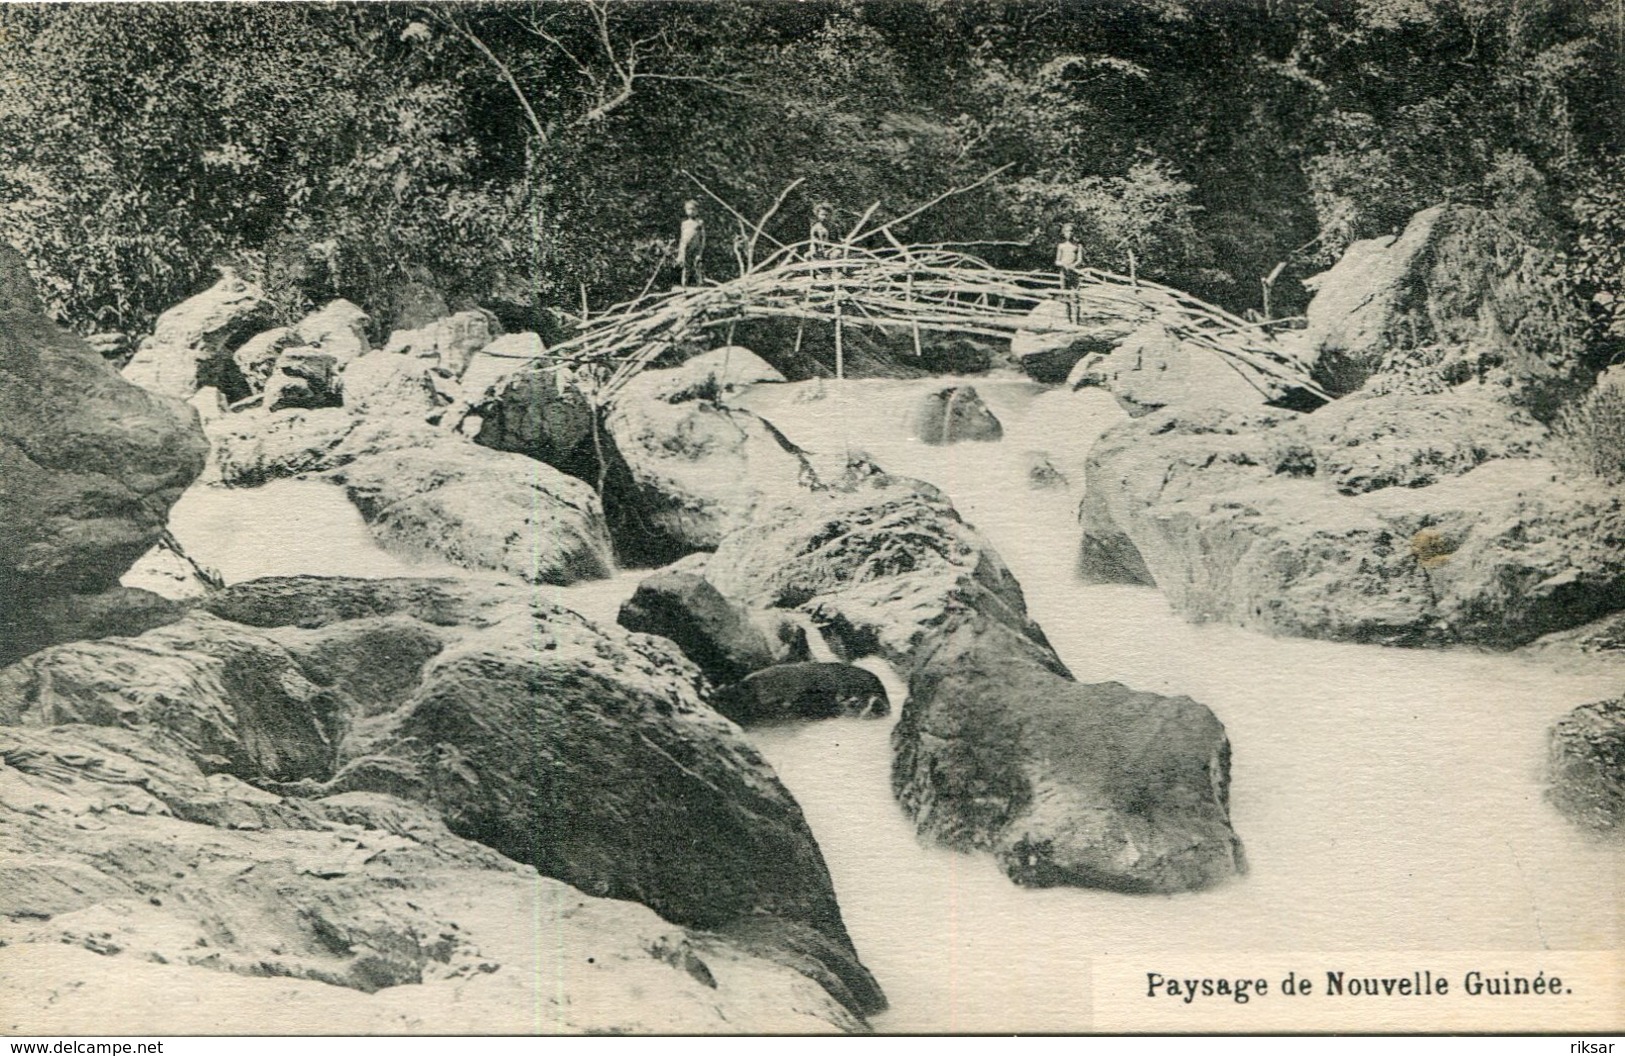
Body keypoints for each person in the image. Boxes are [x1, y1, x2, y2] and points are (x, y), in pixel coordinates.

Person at [1054, 221, 1082, 322]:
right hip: (1064, 273)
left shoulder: (1077, 246)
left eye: (1071, 231)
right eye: (1066, 231)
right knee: (1065, 296)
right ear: (1063, 233)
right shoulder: (1061, 246)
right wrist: (1062, 264)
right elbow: (1057, 261)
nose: (1069, 234)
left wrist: (1073, 266)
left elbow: (1080, 260)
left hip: (1074, 273)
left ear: (1074, 233)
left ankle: (1077, 321)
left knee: (1076, 296)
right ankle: (1069, 319)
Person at [677, 199, 706, 287]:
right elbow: (682, 239)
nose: (691, 211)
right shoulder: (684, 223)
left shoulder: (699, 223)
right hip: (686, 248)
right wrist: (680, 253)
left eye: (693, 209)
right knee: (686, 267)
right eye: (689, 209)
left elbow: (703, 238)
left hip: (696, 248)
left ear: (697, 210)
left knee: (697, 266)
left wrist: (700, 252)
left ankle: (699, 285)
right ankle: (684, 286)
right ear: (685, 210)